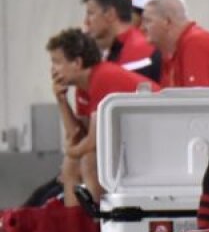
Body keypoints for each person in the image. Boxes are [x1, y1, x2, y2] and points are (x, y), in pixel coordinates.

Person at [47, 28, 159, 209]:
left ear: (77, 62)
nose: (52, 69)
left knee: (89, 161)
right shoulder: (83, 87)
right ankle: (76, 228)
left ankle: (98, 226)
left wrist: (72, 151)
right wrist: (61, 101)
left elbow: (92, 142)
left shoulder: (103, 77)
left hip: (155, 139)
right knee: (71, 165)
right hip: (133, 141)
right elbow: (77, 133)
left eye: (57, 62)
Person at [140, 0, 209, 88]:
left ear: (167, 22)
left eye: (148, 21)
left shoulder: (195, 44)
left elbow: (195, 99)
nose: (142, 28)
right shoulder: (173, 52)